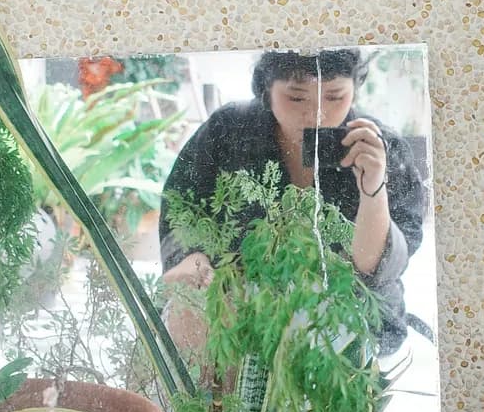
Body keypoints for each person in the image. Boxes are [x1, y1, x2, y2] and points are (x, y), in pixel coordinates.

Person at [158, 49, 429, 353]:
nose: (317, 114)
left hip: (346, 322)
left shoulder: (379, 147)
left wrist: (372, 189)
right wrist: (190, 258)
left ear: (354, 89)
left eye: (335, 97)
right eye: (297, 98)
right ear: (266, 90)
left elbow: (373, 268)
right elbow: (182, 206)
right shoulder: (227, 130)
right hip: (242, 309)